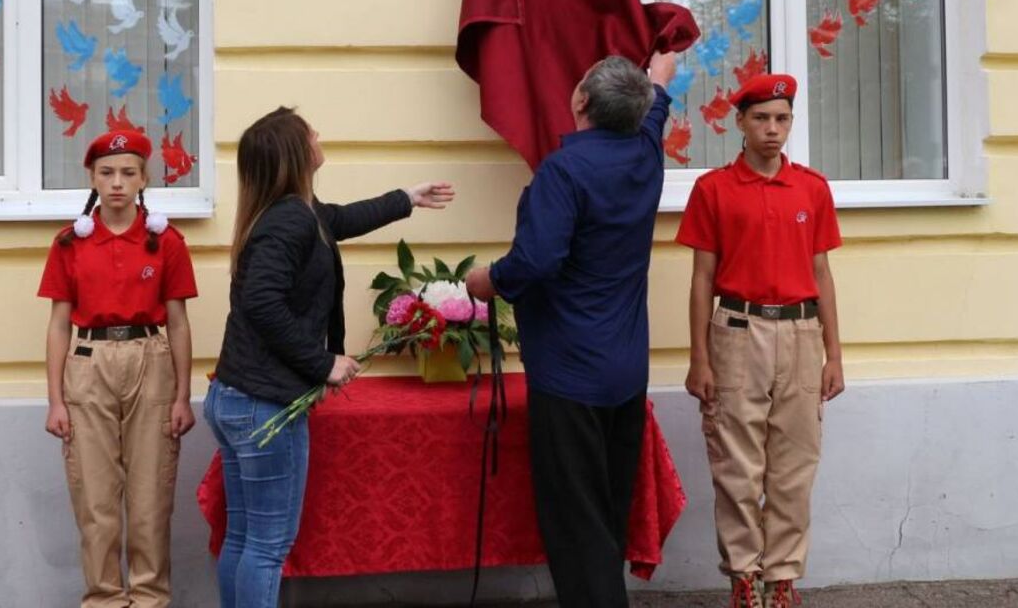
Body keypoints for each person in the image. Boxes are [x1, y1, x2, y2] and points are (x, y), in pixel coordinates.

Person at [204, 107, 455, 608]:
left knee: (246, 539)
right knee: (267, 546)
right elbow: (261, 302)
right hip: (263, 407)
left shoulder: (297, 211)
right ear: (296, 152)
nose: (319, 135)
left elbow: (341, 219)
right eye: (310, 132)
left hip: (236, 399)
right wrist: (323, 363)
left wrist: (406, 198)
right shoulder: (289, 220)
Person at [466, 51, 678, 608]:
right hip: (626, 374)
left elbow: (536, 260)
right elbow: (655, 112)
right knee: (606, 513)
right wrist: (659, 76)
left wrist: (487, 280)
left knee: (577, 526)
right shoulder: (645, 154)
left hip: (570, 375)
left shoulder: (564, 171)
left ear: (580, 100)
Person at [675, 74, 845, 608]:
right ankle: (744, 577)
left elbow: (821, 274)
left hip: (799, 333)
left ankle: (783, 579)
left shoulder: (812, 189)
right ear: (741, 123)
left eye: (782, 119)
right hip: (737, 333)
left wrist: (834, 354)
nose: (773, 130)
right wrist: (698, 357)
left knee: (795, 464)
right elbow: (702, 278)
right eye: (762, 119)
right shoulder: (714, 190)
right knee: (737, 465)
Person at [39, 129, 198, 608]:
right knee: (96, 501)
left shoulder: (165, 241)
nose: (117, 183)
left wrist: (181, 396)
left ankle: (150, 598)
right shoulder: (70, 244)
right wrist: (55, 401)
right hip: (87, 364)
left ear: (144, 178)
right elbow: (58, 325)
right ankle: (104, 599)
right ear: (92, 177)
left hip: (150, 360)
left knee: (150, 499)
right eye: (106, 173)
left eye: (128, 173)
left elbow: (179, 322)